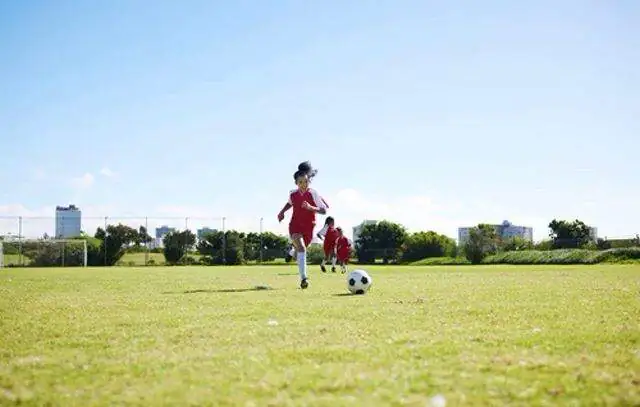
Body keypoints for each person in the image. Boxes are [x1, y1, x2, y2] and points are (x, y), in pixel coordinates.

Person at [277, 162, 328, 289]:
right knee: (302, 248)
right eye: (300, 182)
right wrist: (282, 212)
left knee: (299, 251)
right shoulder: (293, 194)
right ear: (296, 183)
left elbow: (324, 210)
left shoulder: (313, 193)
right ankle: (304, 278)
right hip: (295, 226)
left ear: (308, 181)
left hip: (309, 227)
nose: (303, 185)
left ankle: (291, 252)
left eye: (306, 182)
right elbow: (290, 203)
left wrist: (311, 207)